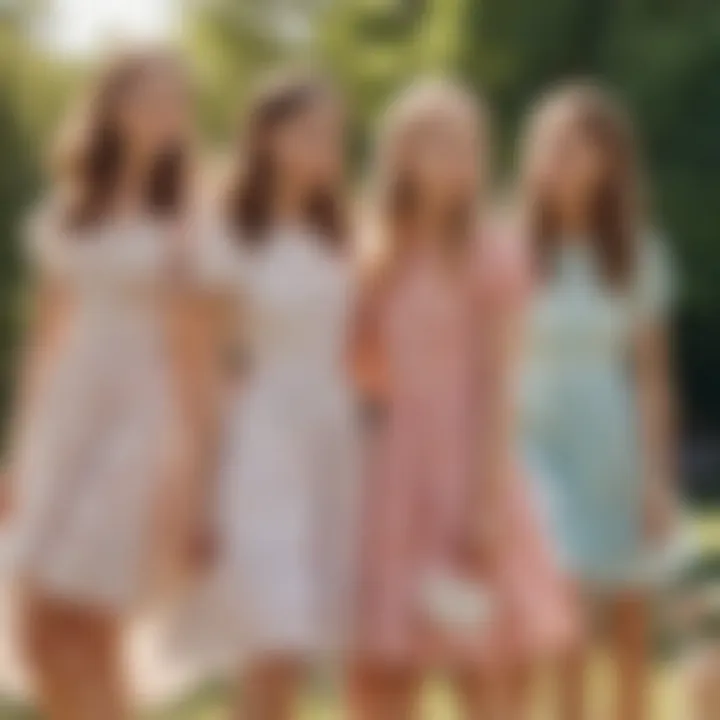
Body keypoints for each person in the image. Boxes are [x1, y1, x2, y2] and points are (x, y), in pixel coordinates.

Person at [351, 79, 575, 720]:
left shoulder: (492, 253)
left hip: (467, 469)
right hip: (388, 476)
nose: (450, 155)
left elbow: (501, 382)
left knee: (482, 661)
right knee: (383, 674)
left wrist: (484, 500)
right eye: (432, 139)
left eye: (463, 141)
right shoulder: (374, 254)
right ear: (398, 153)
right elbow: (360, 374)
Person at [2, 48, 198, 719]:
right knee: (35, 629)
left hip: (144, 419)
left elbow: (202, 354)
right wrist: (17, 457)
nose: (162, 110)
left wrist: (190, 467)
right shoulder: (68, 211)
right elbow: (43, 341)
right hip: (66, 417)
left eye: (175, 99)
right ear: (111, 105)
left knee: (92, 621)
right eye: (147, 94)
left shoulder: (188, 221)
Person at [180, 72, 360, 720]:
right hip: (259, 440)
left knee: (295, 650)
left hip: (329, 439)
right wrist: (199, 492)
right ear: (267, 136)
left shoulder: (337, 234)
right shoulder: (226, 235)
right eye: (309, 131)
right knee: (270, 633)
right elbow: (203, 367)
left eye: (334, 135)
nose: (324, 146)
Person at [518, 82, 679, 720]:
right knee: (564, 607)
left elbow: (651, 375)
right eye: (556, 142)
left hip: (612, 441)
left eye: (586, 146)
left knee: (630, 621)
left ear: (612, 163)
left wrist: (658, 480)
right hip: (530, 441)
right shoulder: (511, 245)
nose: (568, 157)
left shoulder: (638, 253)